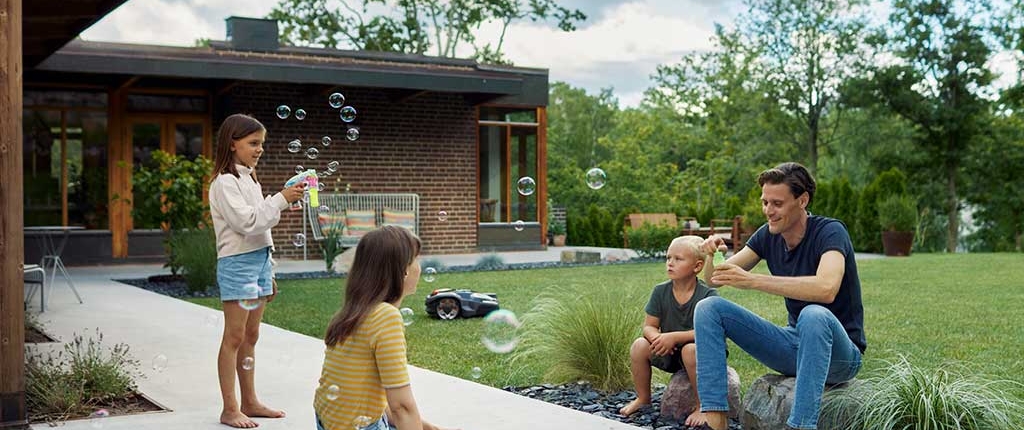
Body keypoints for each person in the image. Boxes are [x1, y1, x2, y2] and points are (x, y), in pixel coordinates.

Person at [694, 162, 866, 430]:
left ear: (802, 200)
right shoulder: (768, 235)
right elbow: (715, 278)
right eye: (764, 202)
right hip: (795, 348)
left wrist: (755, 281)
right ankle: (717, 422)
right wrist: (711, 255)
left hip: (840, 356)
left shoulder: (830, 231)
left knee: (813, 314)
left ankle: (801, 426)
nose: (768, 211)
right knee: (708, 308)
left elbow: (826, 288)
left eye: (777, 203)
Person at [209, 113, 305, 428]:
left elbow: (261, 228)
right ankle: (230, 408)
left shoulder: (249, 178)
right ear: (232, 143)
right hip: (237, 263)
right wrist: (279, 199)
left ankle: (249, 402)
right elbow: (247, 223)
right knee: (234, 336)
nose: (259, 149)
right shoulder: (225, 183)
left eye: (261, 143)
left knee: (252, 334)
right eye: (253, 143)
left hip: (260, 259)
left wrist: (270, 270)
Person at [314, 226, 453, 430]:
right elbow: (401, 407)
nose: (419, 267)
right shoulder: (386, 316)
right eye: (416, 259)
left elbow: (375, 398)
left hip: (330, 421)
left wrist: (430, 428)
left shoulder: (355, 311)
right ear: (403, 270)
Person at [619, 236, 719, 427]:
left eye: (678, 259)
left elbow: (710, 332)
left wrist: (673, 337)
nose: (670, 263)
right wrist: (657, 339)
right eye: (668, 258)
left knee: (689, 350)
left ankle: (703, 407)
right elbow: (648, 326)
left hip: (701, 354)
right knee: (639, 345)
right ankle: (643, 398)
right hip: (670, 353)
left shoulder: (707, 296)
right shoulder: (660, 292)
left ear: (697, 267)